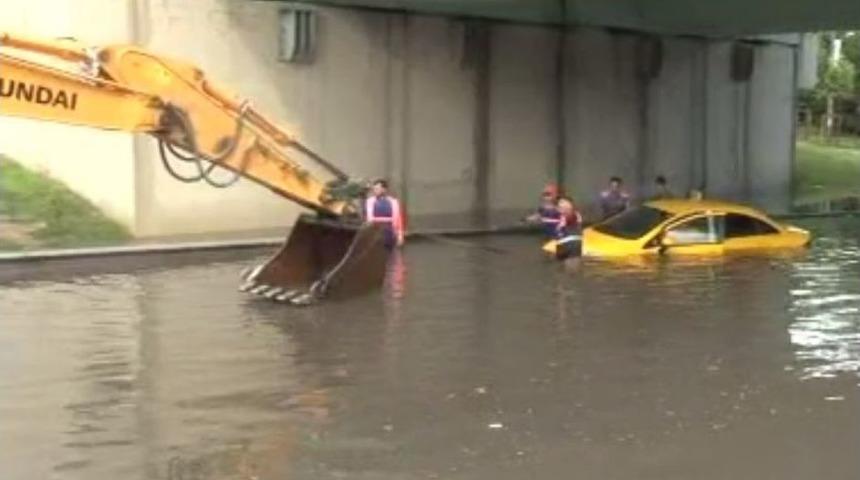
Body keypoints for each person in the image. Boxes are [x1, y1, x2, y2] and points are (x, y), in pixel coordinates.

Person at [364, 179, 405, 250]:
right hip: (375, 232)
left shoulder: (393, 202)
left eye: (377, 189)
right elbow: (368, 218)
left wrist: (400, 236)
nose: (375, 191)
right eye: (374, 189)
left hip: (390, 232)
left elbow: (399, 220)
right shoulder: (370, 201)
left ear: (384, 189)